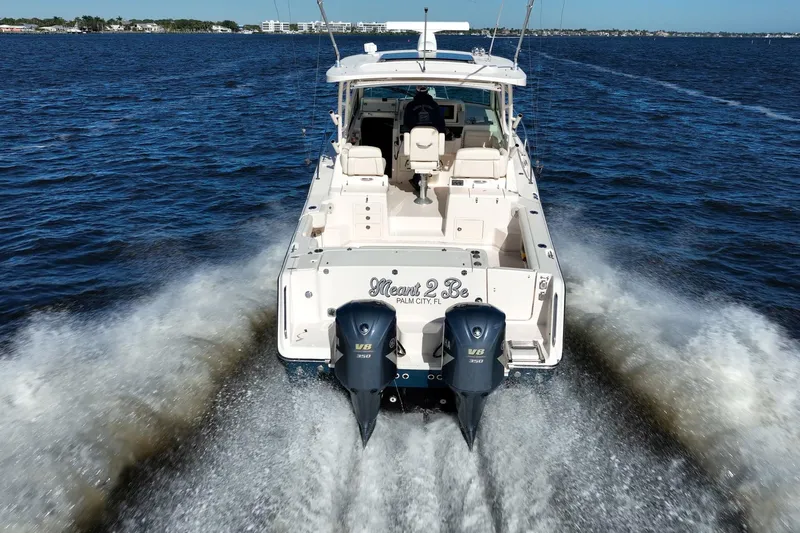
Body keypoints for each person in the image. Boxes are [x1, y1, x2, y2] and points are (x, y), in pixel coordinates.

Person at [403, 86, 446, 193]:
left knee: (419, 153)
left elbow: (406, 125)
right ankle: (419, 181)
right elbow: (441, 125)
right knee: (429, 153)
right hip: (432, 145)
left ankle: (418, 180)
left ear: (416, 90)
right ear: (427, 91)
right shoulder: (435, 106)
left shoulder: (410, 106)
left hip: (414, 144)